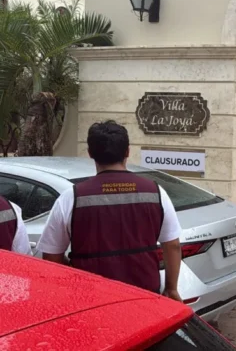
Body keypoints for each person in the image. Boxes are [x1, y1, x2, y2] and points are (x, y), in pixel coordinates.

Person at [38, 120, 183, 301]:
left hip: (91, 300)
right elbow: (173, 245)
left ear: (90, 153)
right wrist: (171, 288)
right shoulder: (155, 192)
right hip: (145, 297)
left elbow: (51, 256)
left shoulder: (71, 197)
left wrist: (76, 273)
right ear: (127, 152)